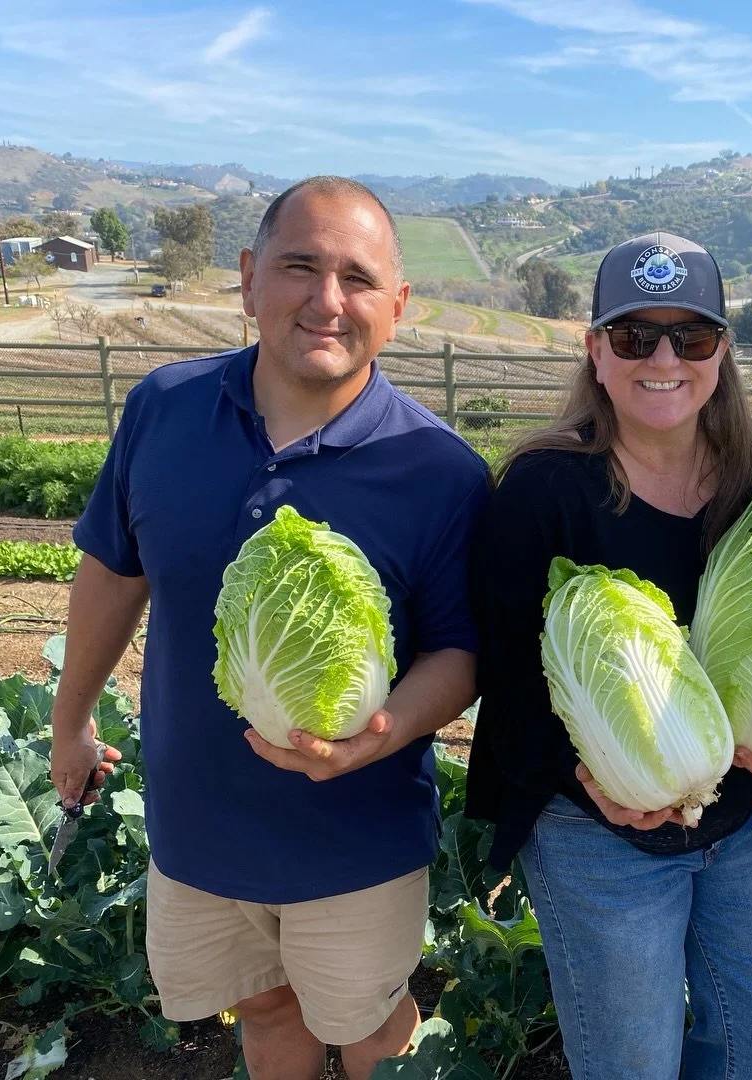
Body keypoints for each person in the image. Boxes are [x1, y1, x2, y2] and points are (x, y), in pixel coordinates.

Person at [50, 176, 489, 1080]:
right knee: (259, 1004)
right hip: (199, 821)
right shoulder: (162, 409)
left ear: (397, 307)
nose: (327, 301)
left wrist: (382, 735)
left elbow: (460, 649)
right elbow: (114, 571)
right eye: (300, 266)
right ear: (249, 277)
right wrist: (71, 719)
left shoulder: (438, 469)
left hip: (356, 835)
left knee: (369, 1026)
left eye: (359, 279)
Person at [466, 232, 752, 1080]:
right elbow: (509, 681)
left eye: (690, 336)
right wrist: (599, 782)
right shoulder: (543, 487)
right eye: (633, 336)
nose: (663, 357)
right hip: (592, 824)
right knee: (631, 1062)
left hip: (735, 814)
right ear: (595, 350)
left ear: (722, 351)